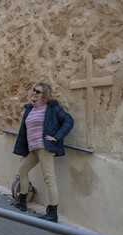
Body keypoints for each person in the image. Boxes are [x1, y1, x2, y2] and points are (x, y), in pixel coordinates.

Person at [13, 82, 74, 223]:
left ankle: (52, 213)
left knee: (49, 178)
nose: (34, 92)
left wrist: (56, 137)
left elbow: (68, 121)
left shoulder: (51, 108)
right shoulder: (30, 109)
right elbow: (24, 132)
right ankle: (22, 201)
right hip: (34, 149)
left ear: (45, 95)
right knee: (22, 170)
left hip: (45, 148)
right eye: (34, 90)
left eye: (38, 91)